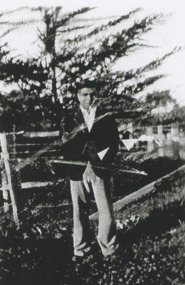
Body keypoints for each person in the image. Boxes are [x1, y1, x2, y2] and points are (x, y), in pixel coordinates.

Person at [60, 82, 119, 260]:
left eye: (92, 94)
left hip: (100, 169)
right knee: (79, 211)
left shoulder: (106, 117)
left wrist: (95, 165)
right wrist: (84, 166)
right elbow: (66, 147)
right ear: (78, 96)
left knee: (106, 210)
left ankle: (108, 249)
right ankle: (80, 249)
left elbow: (113, 144)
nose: (89, 98)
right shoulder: (69, 118)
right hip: (78, 171)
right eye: (85, 94)